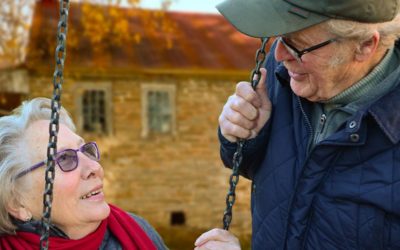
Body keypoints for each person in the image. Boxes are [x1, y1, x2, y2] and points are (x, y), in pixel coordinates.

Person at [201, 0, 400, 249]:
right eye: (279, 37)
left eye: (298, 46)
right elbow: (266, 170)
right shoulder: (283, 73)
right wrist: (244, 135)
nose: (280, 55)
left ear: (364, 46)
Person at [0, 97, 168, 249]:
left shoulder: (138, 231)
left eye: (86, 150)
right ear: (16, 202)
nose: (95, 168)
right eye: (65, 158)